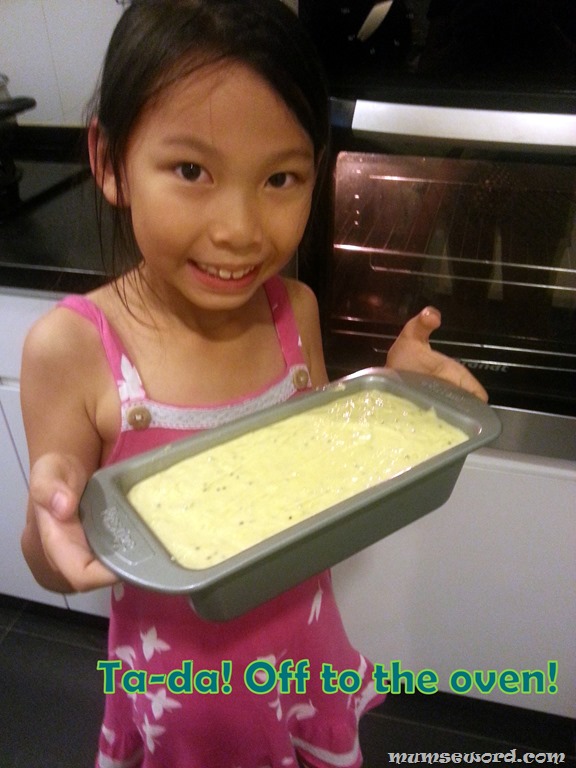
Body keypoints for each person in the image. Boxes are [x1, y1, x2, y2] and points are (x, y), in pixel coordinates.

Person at [20, 1, 487, 766]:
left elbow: (317, 477)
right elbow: (50, 563)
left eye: (279, 177)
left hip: (303, 654)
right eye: (191, 171)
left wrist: (395, 402)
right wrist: (54, 514)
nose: (239, 228)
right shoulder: (74, 349)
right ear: (109, 162)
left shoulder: (292, 312)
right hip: (187, 696)